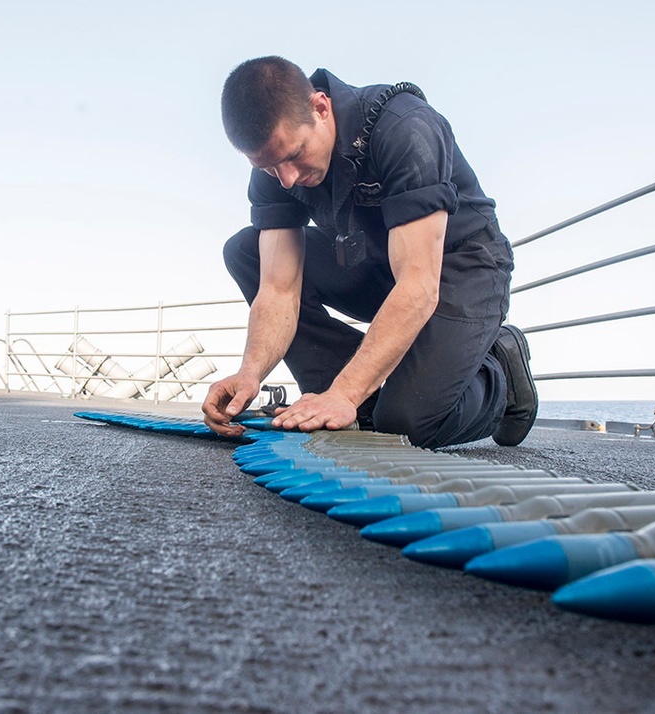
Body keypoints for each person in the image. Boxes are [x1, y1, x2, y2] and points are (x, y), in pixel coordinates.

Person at [201, 56, 537, 449]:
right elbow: (278, 289)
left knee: (404, 424)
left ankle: (501, 373)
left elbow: (418, 284)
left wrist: (345, 391)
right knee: (246, 251)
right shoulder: (278, 168)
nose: (287, 178)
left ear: (321, 108)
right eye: (270, 167)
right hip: (377, 264)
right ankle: (360, 400)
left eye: (293, 155)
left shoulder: (405, 128)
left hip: (461, 269)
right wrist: (250, 373)